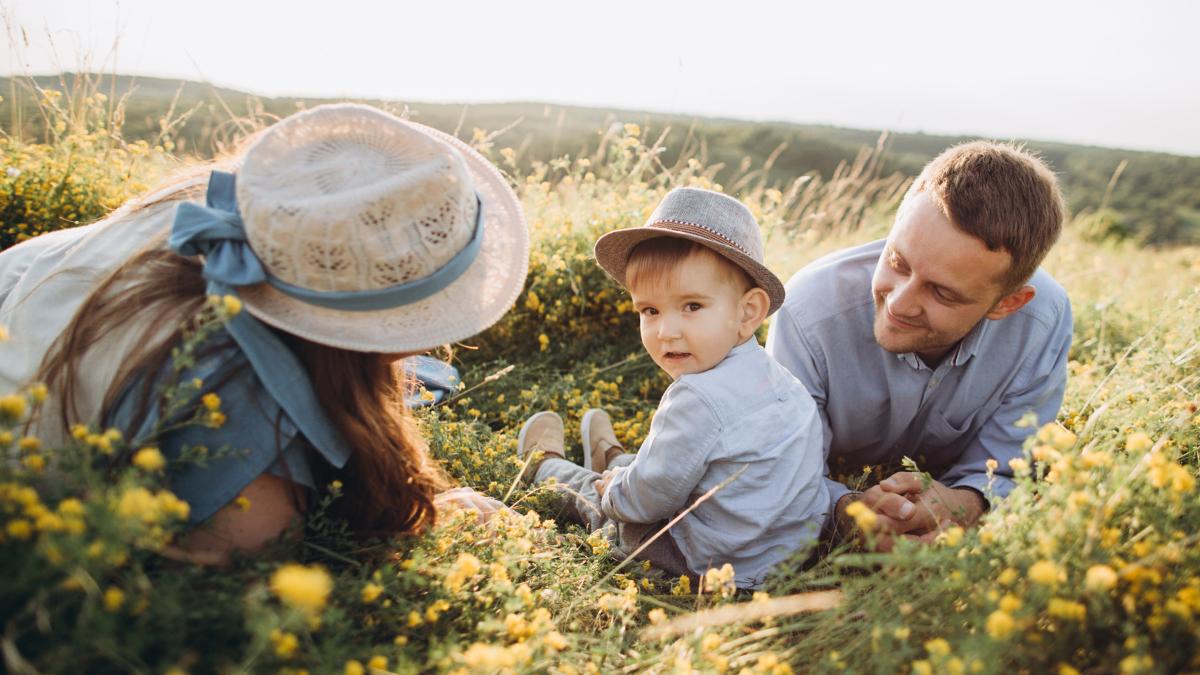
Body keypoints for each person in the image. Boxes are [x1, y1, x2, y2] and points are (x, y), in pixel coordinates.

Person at [0, 104, 530, 564]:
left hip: (29, 289)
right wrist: (422, 528)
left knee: (425, 380)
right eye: (432, 311)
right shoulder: (240, 436)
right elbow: (232, 598)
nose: (436, 335)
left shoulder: (222, 206)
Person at [765, 141, 1072, 551]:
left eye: (942, 293)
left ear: (1007, 303)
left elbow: (1011, 463)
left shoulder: (1041, 323)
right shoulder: (808, 312)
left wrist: (966, 502)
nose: (899, 303)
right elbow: (783, 471)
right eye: (898, 262)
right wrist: (848, 512)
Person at [516, 187, 827, 589]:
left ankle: (545, 467)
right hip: (773, 558)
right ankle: (615, 458)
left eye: (692, 306)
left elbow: (650, 500)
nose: (666, 331)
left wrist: (614, 496)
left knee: (602, 503)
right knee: (658, 471)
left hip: (699, 563)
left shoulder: (698, 397)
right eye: (650, 310)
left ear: (748, 312)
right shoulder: (786, 383)